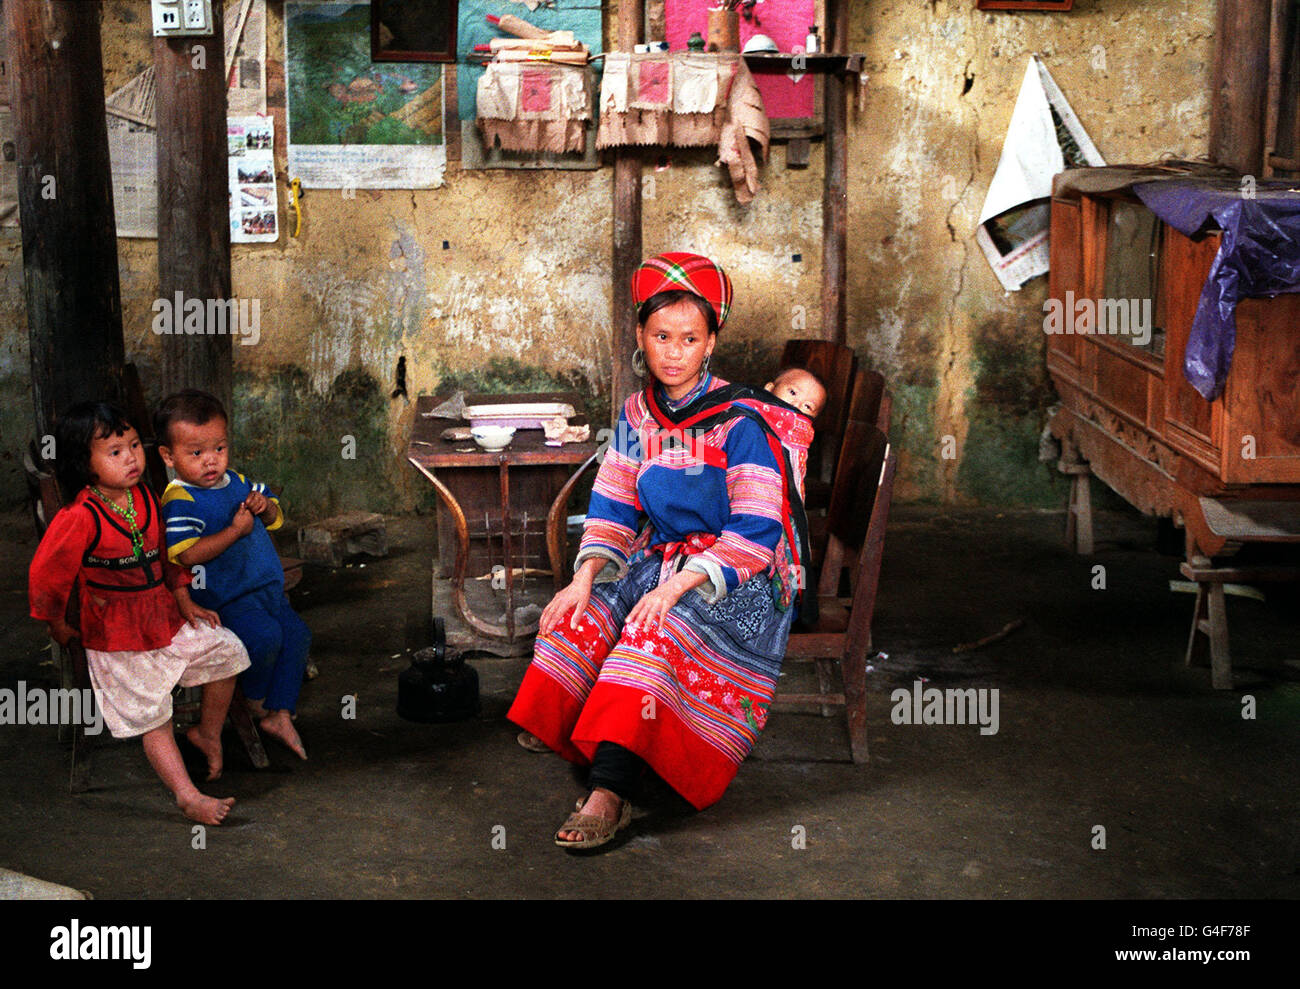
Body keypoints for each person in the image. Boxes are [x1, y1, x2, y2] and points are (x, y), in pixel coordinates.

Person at [508, 251, 812, 850]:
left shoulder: (741, 421)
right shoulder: (634, 415)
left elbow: (756, 530)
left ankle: (608, 792)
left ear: (710, 344)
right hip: (662, 556)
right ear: (641, 338)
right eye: (661, 336)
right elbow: (614, 507)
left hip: (738, 578)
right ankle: (581, 719)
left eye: (689, 338)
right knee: (580, 611)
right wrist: (585, 576)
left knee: (654, 632)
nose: (674, 351)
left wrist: (676, 589)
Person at [28, 402, 250, 825]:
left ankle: (206, 733)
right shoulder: (80, 517)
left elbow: (171, 559)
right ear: (85, 463)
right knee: (153, 714)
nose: (131, 457)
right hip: (115, 635)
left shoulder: (146, 498)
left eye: (133, 445)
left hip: (162, 618)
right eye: (115, 452)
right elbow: (45, 575)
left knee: (228, 651)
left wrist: (185, 600)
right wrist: (56, 621)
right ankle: (187, 795)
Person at [155, 390, 310, 761]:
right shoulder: (181, 499)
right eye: (196, 453)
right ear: (168, 456)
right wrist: (234, 532)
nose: (211, 461)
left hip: (264, 590)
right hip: (227, 598)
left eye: (219, 448)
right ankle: (257, 703)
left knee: (297, 636)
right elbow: (186, 553)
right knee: (264, 639)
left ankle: (280, 714)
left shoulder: (238, 481)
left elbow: (274, 516)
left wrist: (265, 506)